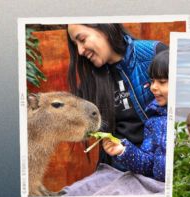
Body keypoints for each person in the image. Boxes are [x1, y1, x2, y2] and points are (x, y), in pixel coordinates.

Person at [67, 24, 168, 171]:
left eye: (82, 39)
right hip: (118, 169)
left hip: (158, 167)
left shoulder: (153, 53)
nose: (80, 51)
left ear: (105, 28)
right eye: (75, 45)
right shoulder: (91, 79)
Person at [102, 50, 169, 182]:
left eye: (161, 82)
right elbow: (148, 164)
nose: (153, 87)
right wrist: (123, 151)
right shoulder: (153, 120)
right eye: (152, 81)